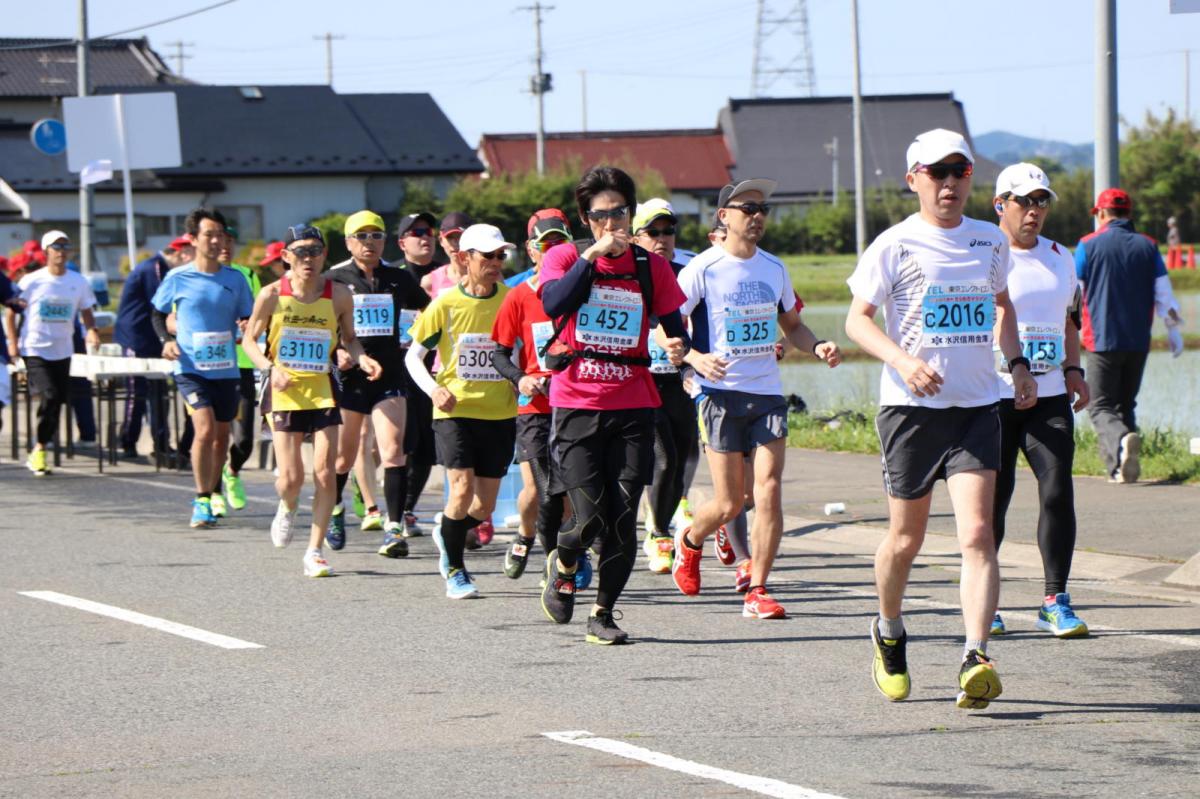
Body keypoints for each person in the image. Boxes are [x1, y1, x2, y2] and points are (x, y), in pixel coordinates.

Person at [844, 129, 1037, 710]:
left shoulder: (990, 242)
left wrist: (1019, 363)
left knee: (978, 533)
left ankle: (975, 654)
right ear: (914, 180)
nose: (949, 182)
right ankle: (889, 630)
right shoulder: (895, 245)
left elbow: (1001, 305)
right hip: (912, 411)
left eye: (959, 171)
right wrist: (903, 361)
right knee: (907, 539)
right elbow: (857, 320)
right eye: (936, 172)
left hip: (978, 407)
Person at [672, 180, 842, 619]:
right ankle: (690, 539)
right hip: (719, 395)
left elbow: (793, 326)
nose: (758, 215)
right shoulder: (702, 269)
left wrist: (817, 344)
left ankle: (759, 588)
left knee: (768, 491)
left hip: (766, 392)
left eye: (763, 208)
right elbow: (666, 322)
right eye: (747, 208)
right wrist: (694, 357)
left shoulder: (774, 269)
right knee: (731, 502)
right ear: (724, 216)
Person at [537, 165, 690, 644]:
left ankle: (602, 614)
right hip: (578, 402)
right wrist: (593, 258)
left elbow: (673, 323)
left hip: (633, 403)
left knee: (623, 518)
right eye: (601, 216)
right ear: (587, 219)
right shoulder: (564, 257)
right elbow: (553, 304)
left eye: (619, 213)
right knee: (591, 520)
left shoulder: (651, 266)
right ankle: (563, 561)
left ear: (630, 213)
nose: (612, 224)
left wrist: (679, 345)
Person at [242, 225, 382, 578]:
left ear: (324, 255)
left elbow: (349, 338)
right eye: (300, 252)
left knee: (326, 470)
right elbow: (249, 341)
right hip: (285, 390)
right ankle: (287, 507)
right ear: (286, 257)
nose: (308, 258)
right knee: (291, 478)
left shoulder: (338, 295)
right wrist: (269, 369)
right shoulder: (272, 295)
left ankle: (314, 551)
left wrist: (361, 357)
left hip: (322, 388)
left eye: (315, 251)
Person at [989, 163, 1092, 638]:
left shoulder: (1060, 256)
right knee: (994, 499)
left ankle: (1055, 599)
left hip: (1049, 394)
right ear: (1000, 205)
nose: (1034, 211)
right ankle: (985, 599)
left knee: (1056, 492)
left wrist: (1074, 370)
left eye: (1041, 201)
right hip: (994, 395)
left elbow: (1070, 320)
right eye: (1023, 201)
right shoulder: (985, 254)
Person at [405, 223, 518, 599]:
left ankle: (448, 531)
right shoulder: (445, 304)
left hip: (499, 412)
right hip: (454, 410)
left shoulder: (511, 300)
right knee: (460, 489)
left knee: (482, 506)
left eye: (501, 256)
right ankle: (455, 569)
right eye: (488, 256)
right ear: (464, 258)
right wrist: (434, 389)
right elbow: (414, 357)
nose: (496, 263)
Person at [326, 210, 431, 556]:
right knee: (343, 458)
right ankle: (335, 510)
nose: (369, 242)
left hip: (390, 374)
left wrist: (418, 343)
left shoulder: (397, 279)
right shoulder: (335, 280)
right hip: (350, 377)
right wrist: (335, 352)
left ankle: (394, 528)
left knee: (393, 451)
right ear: (348, 242)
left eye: (375, 236)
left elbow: (429, 312)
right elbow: (319, 326)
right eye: (361, 236)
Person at [490, 209, 581, 581]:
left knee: (572, 491)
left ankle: (563, 552)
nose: (554, 251)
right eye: (546, 245)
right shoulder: (518, 297)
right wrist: (522, 378)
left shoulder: (584, 291)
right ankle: (539, 549)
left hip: (575, 402)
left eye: (561, 243)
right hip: (535, 407)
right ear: (531, 251)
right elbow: (498, 352)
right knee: (541, 491)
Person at [151, 208, 255, 527]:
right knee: (205, 428)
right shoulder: (177, 277)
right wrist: (165, 340)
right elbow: (156, 313)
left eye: (220, 234)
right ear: (194, 239)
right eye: (208, 234)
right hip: (189, 367)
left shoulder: (235, 279)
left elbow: (249, 318)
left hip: (225, 367)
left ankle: (213, 491)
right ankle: (201, 499)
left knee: (222, 437)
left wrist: (246, 328)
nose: (216, 240)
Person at [1075, 188, 1185, 483]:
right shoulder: (1148, 246)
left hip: (1101, 339)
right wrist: (1173, 331)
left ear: (1100, 214)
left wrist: (1068, 331)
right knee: (1126, 403)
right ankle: (1120, 467)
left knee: (1100, 405)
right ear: (1129, 214)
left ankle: (1122, 441)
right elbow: (1164, 295)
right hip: (1138, 341)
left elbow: (1075, 294)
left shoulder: (1087, 245)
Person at [630, 198, 700, 575]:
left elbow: (702, 321)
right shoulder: (628, 270)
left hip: (680, 376)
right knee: (664, 458)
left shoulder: (688, 268)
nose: (662, 238)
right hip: (642, 378)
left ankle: (662, 518)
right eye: (653, 232)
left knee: (683, 459)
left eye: (668, 231)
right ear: (636, 237)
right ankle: (657, 532)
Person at [4, 231, 100, 476]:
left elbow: (86, 309)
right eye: (56, 247)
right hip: (34, 347)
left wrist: (91, 331)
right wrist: (13, 344)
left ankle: (39, 447)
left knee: (57, 400)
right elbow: (12, 311)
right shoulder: (32, 281)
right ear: (46, 252)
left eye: (65, 247)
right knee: (50, 394)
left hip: (63, 348)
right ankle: (38, 448)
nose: (61, 251)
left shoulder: (78, 281)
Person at [115, 236, 194, 463]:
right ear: (180, 253)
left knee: (159, 394)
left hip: (154, 340)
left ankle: (161, 443)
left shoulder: (162, 269)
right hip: (135, 339)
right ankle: (128, 441)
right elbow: (162, 306)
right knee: (136, 392)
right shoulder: (153, 269)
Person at [207, 226, 263, 517]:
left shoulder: (247, 275)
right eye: (221, 240)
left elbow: (258, 313)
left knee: (243, 440)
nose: (226, 246)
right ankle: (213, 492)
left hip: (242, 364)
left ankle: (232, 469)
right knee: (215, 433)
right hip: (212, 365)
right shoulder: (201, 276)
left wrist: (250, 323)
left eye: (231, 240)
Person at [395, 212, 442, 538]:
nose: (424, 237)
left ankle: (407, 508)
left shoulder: (447, 274)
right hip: (397, 370)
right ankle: (376, 494)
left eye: (428, 231)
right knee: (400, 443)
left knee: (425, 445)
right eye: (416, 233)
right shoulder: (395, 277)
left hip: (435, 370)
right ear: (402, 242)